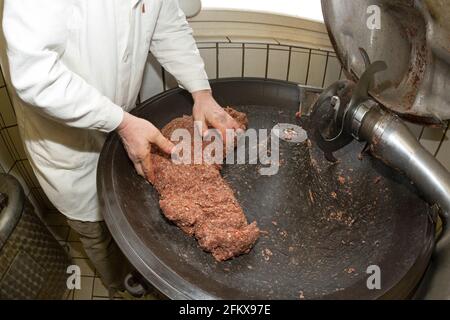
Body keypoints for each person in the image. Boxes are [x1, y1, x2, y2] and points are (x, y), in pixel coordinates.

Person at [2, 0, 240, 297]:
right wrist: (122, 122)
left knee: (130, 217)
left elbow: (167, 24)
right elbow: (34, 75)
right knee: (96, 230)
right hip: (68, 141)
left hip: (122, 119)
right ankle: (117, 285)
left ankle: (135, 269)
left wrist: (200, 91)